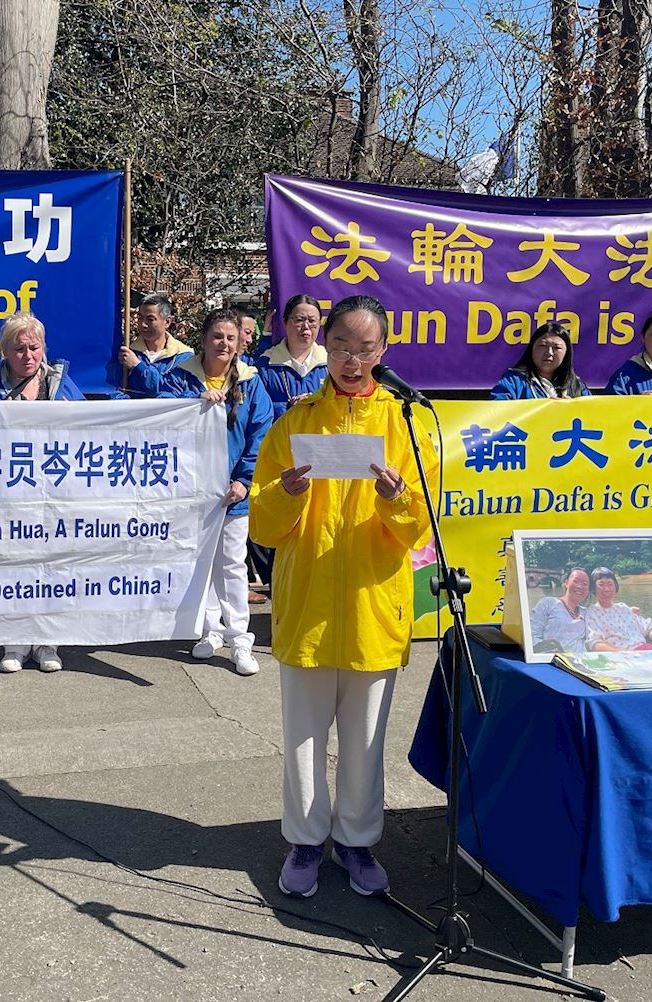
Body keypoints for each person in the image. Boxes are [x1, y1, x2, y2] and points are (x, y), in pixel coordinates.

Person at [249, 294, 435, 899]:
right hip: (307, 600)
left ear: (383, 350)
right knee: (303, 737)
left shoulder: (406, 423)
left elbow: (421, 527)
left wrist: (396, 498)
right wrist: (287, 493)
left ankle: (357, 842)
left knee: (365, 740)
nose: (352, 361)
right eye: (340, 347)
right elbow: (262, 525)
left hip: (373, 604)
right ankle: (305, 841)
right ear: (323, 346)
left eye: (364, 348)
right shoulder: (296, 421)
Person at [161, 308, 273, 676]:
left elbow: (260, 435)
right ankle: (210, 630)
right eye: (217, 336)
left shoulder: (251, 382)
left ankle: (240, 638)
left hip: (232, 493)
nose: (223, 343)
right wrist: (194, 405)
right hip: (193, 493)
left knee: (232, 566)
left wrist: (244, 480)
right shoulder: (181, 378)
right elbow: (162, 417)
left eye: (230, 337)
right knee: (202, 565)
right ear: (204, 339)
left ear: (240, 342)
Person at [0, 312, 80, 672]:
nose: (28, 356)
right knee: (12, 567)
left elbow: (93, 430)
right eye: (19, 349)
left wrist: (73, 418)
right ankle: (14, 642)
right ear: (4, 351)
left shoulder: (61, 385)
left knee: (51, 567)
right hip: (8, 494)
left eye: (34, 347)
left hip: (54, 492)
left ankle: (48, 643)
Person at [253, 294, 328, 420]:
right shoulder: (265, 366)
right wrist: (289, 407)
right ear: (285, 322)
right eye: (299, 320)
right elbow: (256, 411)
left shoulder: (330, 363)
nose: (306, 326)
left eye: (312, 321)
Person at [106, 293, 194, 398]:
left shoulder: (183, 357)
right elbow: (112, 390)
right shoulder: (127, 354)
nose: (143, 324)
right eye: (140, 318)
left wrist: (138, 366)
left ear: (167, 322)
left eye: (150, 319)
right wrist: (130, 404)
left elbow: (169, 391)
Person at [490, 321, 591, 399]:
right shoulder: (514, 381)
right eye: (543, 345)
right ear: (531, 349)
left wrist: (572, 408)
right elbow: (498, 409)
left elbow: (591, 413)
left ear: (566, 353)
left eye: (557, 348)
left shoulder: (576, 385)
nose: (549, 352)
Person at [584, 567, 652, 650]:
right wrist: (623, 653)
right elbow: (595, 642)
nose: (606, 589)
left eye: (610, 584)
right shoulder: (592, 613)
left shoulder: (624, 608)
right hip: (626, 655)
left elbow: (649, 627)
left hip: (646, 650)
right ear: (593, 588)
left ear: (615, 586)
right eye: (601, 585)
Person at [528, 567, 596, 654]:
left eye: (585, 584)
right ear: (566, 583)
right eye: (575, 581)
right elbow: (532, 635)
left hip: (580, 660)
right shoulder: (548, 603)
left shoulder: (587, 613)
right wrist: (546, 650)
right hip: (551, 658)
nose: (580, 586)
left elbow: (594, 638)